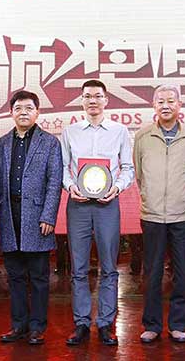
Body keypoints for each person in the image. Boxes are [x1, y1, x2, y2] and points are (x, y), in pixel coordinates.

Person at [60, 79, 134, 346]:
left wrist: (117, 188)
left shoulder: (119, 131)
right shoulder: (70, 131)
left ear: (106, 100)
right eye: (87, 96)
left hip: (107, 205)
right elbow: (63, 167)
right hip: (78, 205)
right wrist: (70, 187)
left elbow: (128, 168)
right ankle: (81, 323)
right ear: (81, 100)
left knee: (109, 267)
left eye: (97, 96)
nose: (93, 100)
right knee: (79, 268)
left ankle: (105, 323)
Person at [0, 90, 63, 346]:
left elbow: (54, 182)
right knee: (15, 276)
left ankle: (37, 327)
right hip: (10, 215)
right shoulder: (1, 144)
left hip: (38, 217)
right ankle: (18, 325)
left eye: (29, 108)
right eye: (18, 108)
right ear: (11, 112)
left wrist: (48, 216)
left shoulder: (50, 142)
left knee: (39, 277)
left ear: (37, 112)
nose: (23, 112)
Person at [134, 84, 185, 344]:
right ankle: (152, 325)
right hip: (151, 215)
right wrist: (150, 195)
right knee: (152, 273)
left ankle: (178, 324)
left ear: (180, 105)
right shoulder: (142, 136)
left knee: (182, 273)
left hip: (182, 214)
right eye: (160, 101)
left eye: (171, 101)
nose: (165, 105)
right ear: (153, 105)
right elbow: (139, 174)